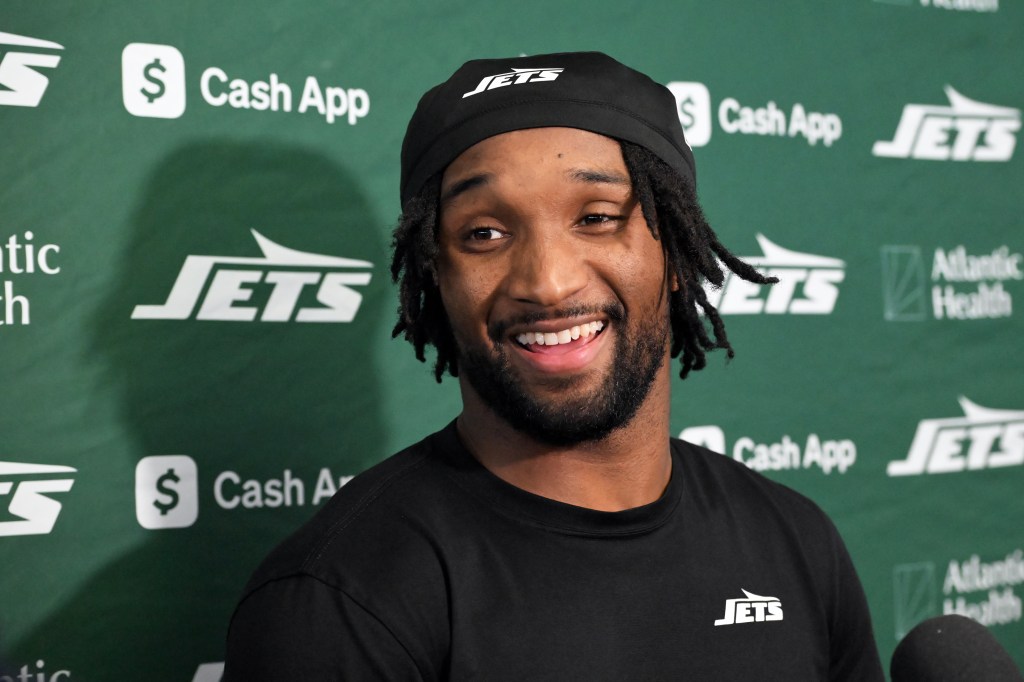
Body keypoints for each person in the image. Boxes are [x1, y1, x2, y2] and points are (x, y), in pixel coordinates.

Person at [224, 51, 884, 680]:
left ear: (677, 255)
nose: (547, 282)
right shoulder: (341, 600)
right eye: (484, 233)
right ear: (436, 275)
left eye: (596, 217)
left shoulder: (797, 542)